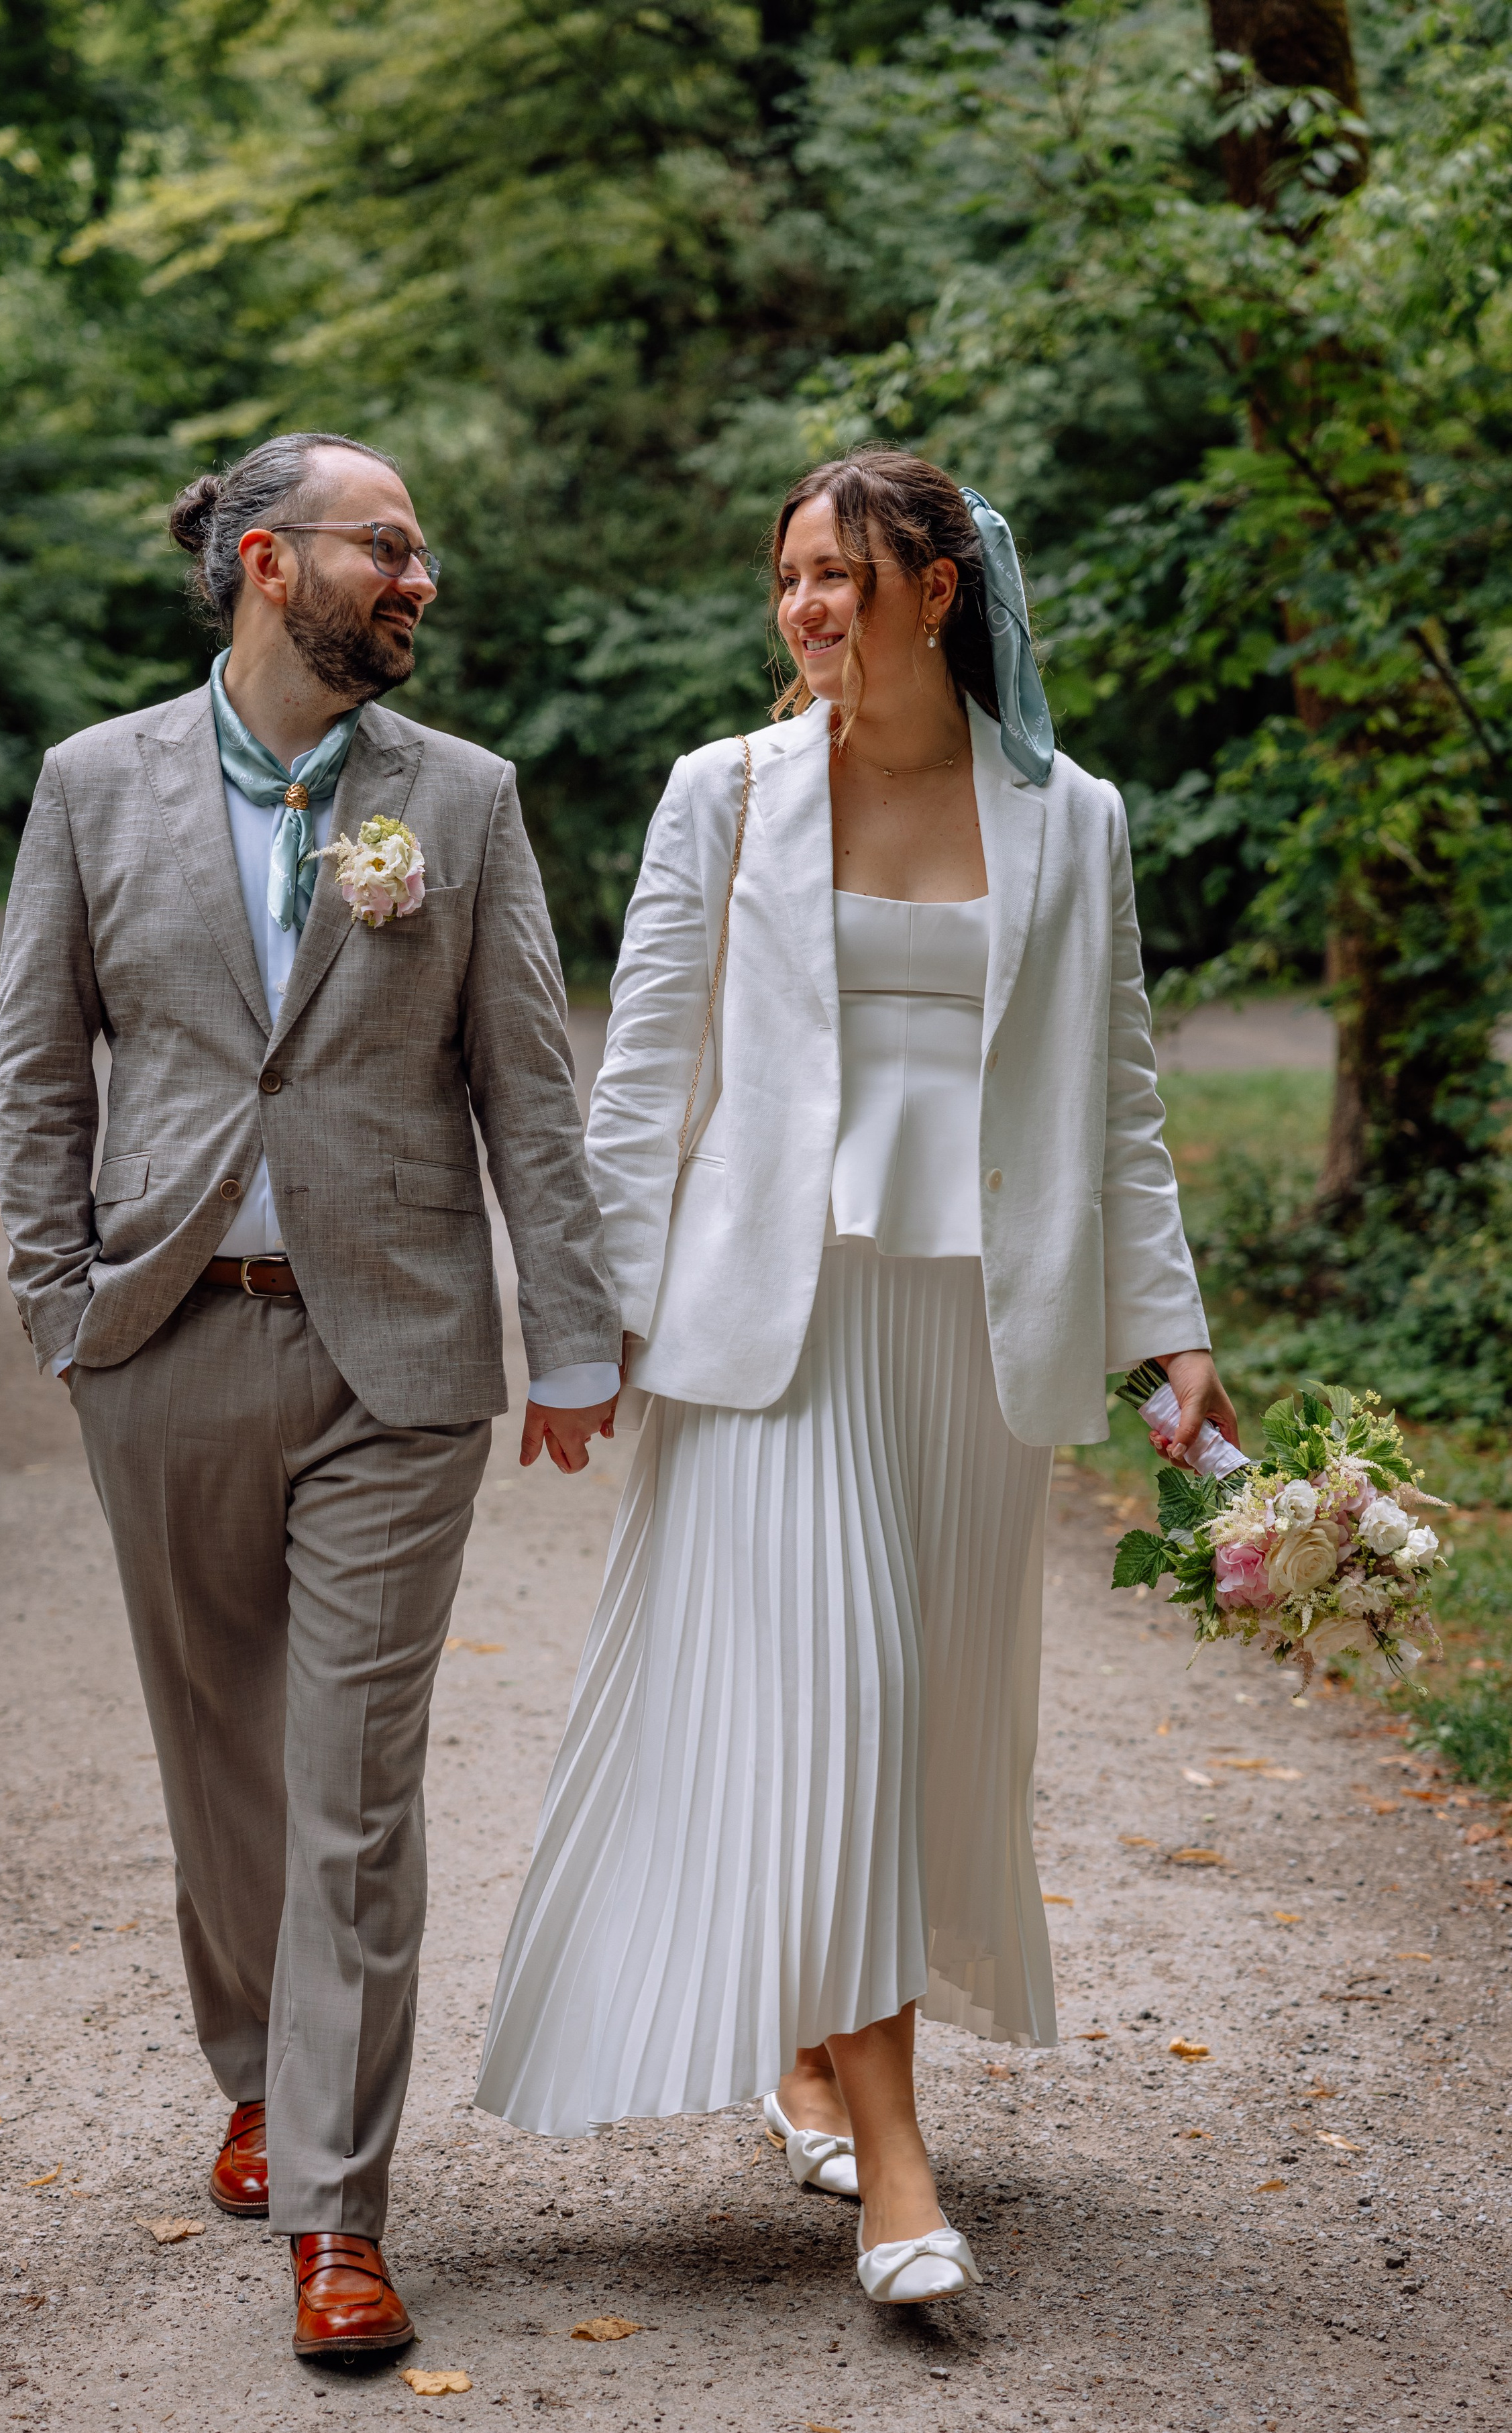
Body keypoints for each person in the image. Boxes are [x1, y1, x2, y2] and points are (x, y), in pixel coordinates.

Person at [474, 446, 1234, 2310]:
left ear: (938, 588)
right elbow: (639, 1078)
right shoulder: (721, 797)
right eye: (789, 576)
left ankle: (815, 2049)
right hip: (771, 1328)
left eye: (843, 574)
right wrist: (590, 1331)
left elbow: (1114, 1098)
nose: (810, 606)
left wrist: (1174, 1320)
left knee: (918, 1725)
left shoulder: (1077, 818)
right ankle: (901, 2165)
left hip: (972, 1336)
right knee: (851, 1692)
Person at [0, 431, 621, 2363]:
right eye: (391, 549)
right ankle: (260, 2064)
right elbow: (40, 1071)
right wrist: (54, 1305)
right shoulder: (92, 785)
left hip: (399, 1352)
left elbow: (527, 1072)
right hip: (165, 1333)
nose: (420, 579)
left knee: (353, 1788)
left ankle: (341, 2215)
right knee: (222, 1757)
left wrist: (572, 1332)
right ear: (274, 564)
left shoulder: (469, 800)